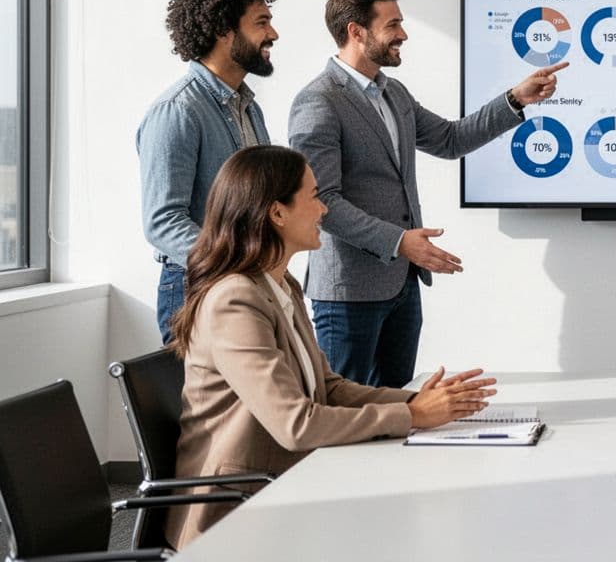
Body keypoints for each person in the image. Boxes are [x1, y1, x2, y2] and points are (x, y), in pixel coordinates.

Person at [164, 145, 496, 549]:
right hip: (235, 514)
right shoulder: (235, 300)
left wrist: (421, 401)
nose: (324, 209)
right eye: (314, 196)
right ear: (277, 213)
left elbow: (329, 388)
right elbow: (296, 425)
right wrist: (412, 415)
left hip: (284, 487)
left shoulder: (280, 285)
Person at [289, 0, 566, 387]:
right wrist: (399, 241)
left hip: (402, 286)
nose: (403, 34)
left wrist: (515, 99)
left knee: (399, 407)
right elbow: (321, 201)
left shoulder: (393, 93)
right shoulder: (319, 101)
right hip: (349, 294)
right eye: (392, 24)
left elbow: (451, 140)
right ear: (356, 31)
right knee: (344, 411)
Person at [138, 0, 280, 344]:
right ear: (223, 30)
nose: (273, 33)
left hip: (246, 282)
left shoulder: (249, 108)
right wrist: (236, 265)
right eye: (262, 22)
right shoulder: (177, 111)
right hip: (196, 287)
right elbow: (163, 221)